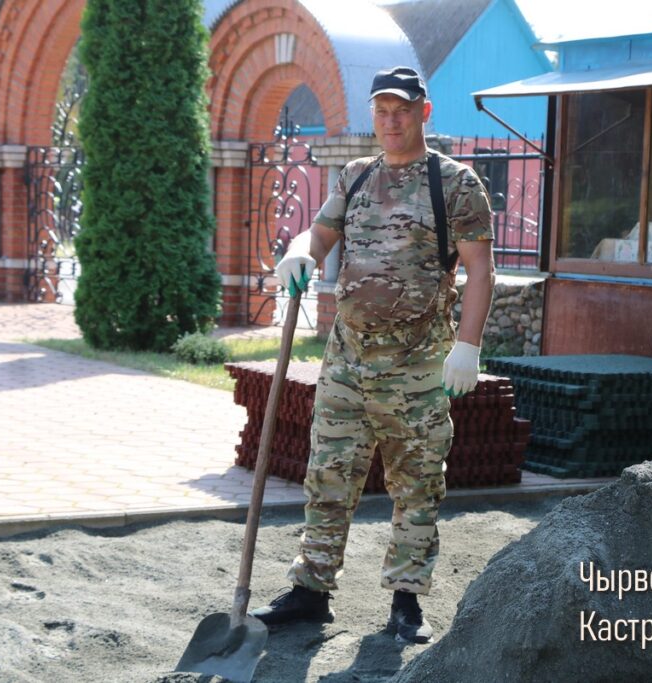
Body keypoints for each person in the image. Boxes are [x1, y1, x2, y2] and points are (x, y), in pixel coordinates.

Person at [250, 66, 495, 645]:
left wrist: (467, 346)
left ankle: (406, 599)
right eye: (382, 110)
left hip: (416, 365)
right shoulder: (356, 174)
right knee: (328, 474)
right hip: (347, 360)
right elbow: (320, 234)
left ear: (423, 112)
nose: (391, 120)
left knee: (417, 481)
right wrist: (299, 251)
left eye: (402, 110)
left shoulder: (455, 183)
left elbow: (481, 270)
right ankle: (311, 591)